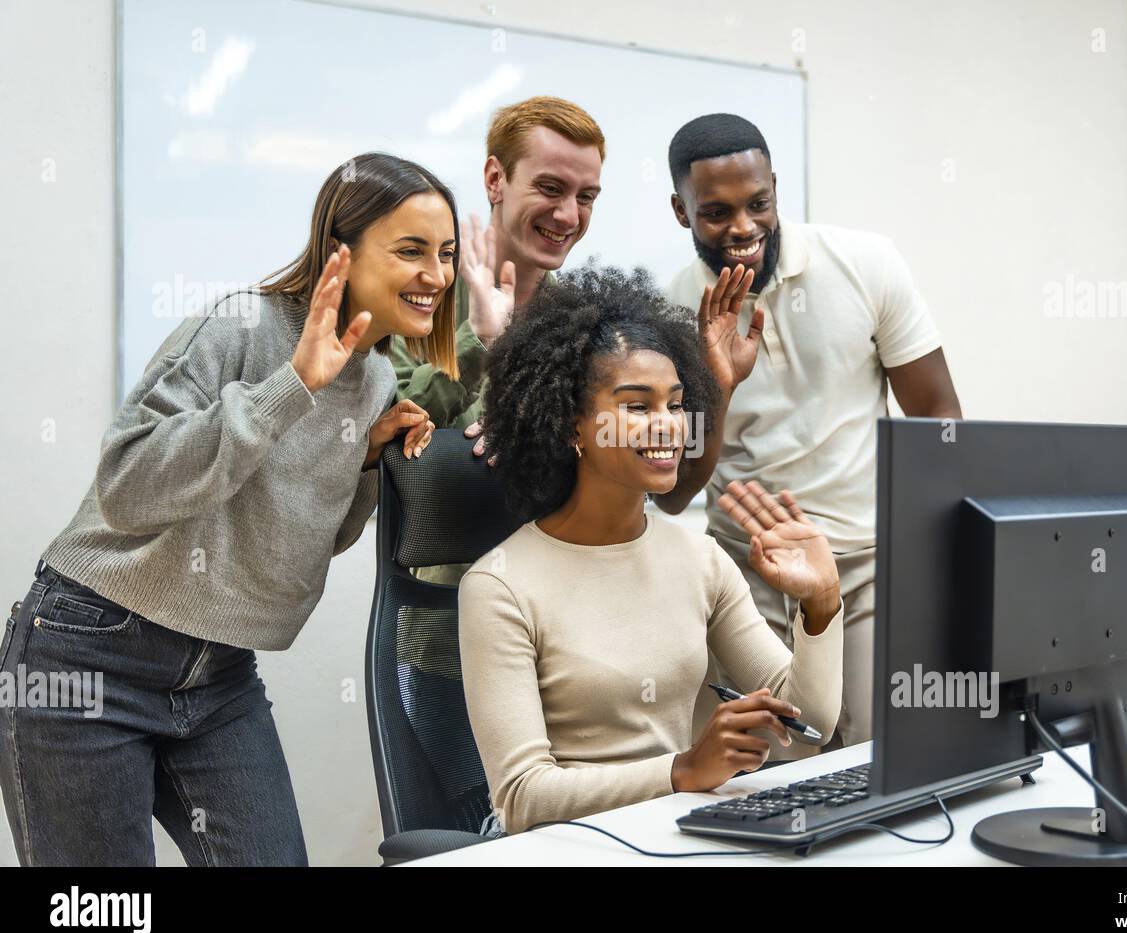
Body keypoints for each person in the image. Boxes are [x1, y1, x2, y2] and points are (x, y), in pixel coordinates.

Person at [0, 152, 452, 865]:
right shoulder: (243, 326)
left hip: (217, 677)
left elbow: (303, 536)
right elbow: (126, 484)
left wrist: (366, 463)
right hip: (89, 653)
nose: (437, 275)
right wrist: (292, 384)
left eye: (446, 253)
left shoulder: (372, 377)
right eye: (412, 251)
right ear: (343, 249)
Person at [458, 266, 844, 835]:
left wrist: (822, 604)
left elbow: (808, 729)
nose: (668, 427)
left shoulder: (701, 561)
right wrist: (682, 770)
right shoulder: (500, 587)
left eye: (675, 404)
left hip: (677, 833)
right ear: (572, 426)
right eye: (637, 407)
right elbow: (521, 798)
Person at [658, 114, 964, 748]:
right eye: (715, 212)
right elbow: (673, 492)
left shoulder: (865, 263)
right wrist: (718, 384)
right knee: (778, 764)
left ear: (775, 186)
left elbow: (938, 420)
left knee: (876, 759)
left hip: (867, 560)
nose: (742, 228)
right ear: (681, 211)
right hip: (748, 567)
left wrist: (935, 557)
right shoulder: (667, 315)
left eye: (758, 204)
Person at [388, 95, 605, 587]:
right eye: (550, 188)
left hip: (565, 609)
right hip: (445, 612)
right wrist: (480, 343)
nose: (569, 216)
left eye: (587, 196)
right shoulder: (421, 293)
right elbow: (384, 430)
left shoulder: (586, 323)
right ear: (495, 179)